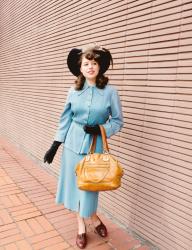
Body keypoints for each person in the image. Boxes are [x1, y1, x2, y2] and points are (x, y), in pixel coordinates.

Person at [44, 43, 123, 249]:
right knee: (74, 188)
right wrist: (55, 145)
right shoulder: (73, 91)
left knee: (88, 188)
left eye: (94, 63)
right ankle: (82, 226)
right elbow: (65, 120)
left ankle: (93, 219)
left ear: (99, 67)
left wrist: (101, 129)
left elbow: (117, 121)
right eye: (86, 63)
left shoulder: (110, 92)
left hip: (93, 147)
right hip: (71, 145)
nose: (90, 67)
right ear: (80, 67)